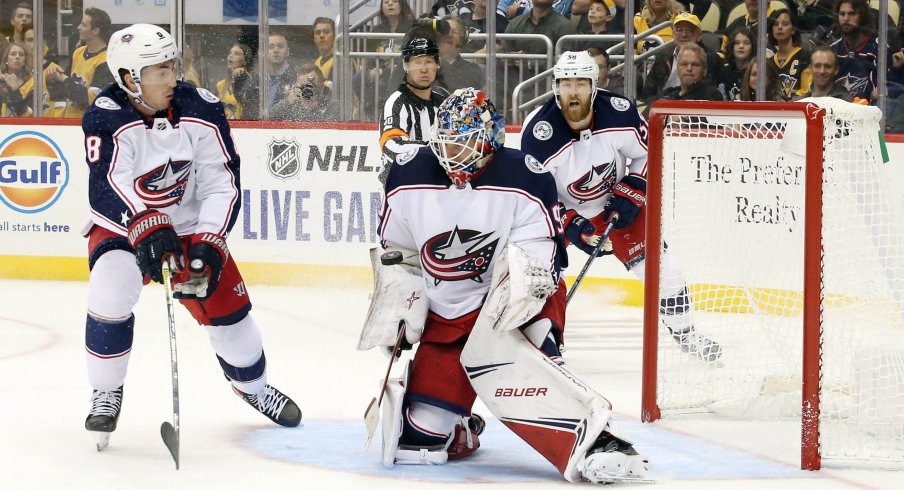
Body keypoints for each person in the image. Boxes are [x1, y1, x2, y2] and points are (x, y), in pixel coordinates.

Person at [368, 86, 651, 483]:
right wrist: (397, 307)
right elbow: (397, 251)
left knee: (530, 357)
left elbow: (538, 260)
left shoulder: (526, 176)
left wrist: (509, 315)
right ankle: (459, 426)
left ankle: (600, 440)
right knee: (418, 444)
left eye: (462, 145)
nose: (451, 155)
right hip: (446, 319)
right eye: (445, 143)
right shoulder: (408, 173)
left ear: (489, 140)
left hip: (508, 308)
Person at [81, 24, 301, 449]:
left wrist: (209, 239)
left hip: (186, 227)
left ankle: (254, 388)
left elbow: (222, 181)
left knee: (234, 327)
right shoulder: (105, 115)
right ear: (129, 77)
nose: (171, 78)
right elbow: (108, 185)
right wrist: (147, 223)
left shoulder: (201, 108)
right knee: (110, 287)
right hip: (123, 228)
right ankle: (105, 391)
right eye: (158, 71)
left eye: (172, 67)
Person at [521, 51, 723, 363]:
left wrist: (636, 187)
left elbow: (647, 153)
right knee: (539, 275)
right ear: (555, 87)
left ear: (594, 84)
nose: (572, 91)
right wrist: (568, 220)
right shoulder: (538, 132)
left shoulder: (620, 112)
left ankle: (685, 333)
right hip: (561, 212)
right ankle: (543, 342)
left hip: (617, 203)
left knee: (664, 269)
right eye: (564, 84)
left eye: (580, 83)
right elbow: (533, 192)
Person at [377, 37, 446, 184]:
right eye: (417, 62)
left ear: (437, 65)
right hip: (401, 188)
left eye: (429, 61)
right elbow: (391, 145)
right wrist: (436, 149)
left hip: (435, 185)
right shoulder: (397, 102)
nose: (424, 69)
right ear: (406, 66)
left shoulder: (444, 103)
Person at [45, 7, 115, 118]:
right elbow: (67, 86)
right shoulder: (78, 52)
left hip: (90, 123)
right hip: (70, 119)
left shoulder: (107, 61)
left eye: (84, 25)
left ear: (96, 31)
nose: (78, 27)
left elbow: (90, 99)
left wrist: (62, 79)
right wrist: (54, 78)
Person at [830, 0, 880, 101]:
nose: (846, 18)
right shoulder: (833, 50)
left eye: (852, 14)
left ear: (863, 17)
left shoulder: (879, 48)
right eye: (842, 14)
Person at [271, 63, 338, 121]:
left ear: (322, 86)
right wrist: (288, 101)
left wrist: (313, 110)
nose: (306, 89)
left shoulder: (333, 105)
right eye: (301, 86)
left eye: (311, 85)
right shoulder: (294, 103)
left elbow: (325, 131)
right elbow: (268, 118)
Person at [768, 9, 811, 101]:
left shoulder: (805, 57)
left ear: (793, 30)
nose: (779, 27)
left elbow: (807, 91)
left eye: (785, 24)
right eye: (775, 24)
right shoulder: (768, 62)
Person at [436, 16, 484, 92]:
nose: (449, 35)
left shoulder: (473, 70)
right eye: (445, 30)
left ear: (463, 39)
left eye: (454, 31)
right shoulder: (428, 67)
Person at [216, 43, 255, 119]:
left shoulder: (251, 81)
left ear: (245, 61)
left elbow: (250, 106)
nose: (230, 56)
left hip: (243, 126)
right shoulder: (220, 85)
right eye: (230, 53)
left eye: (236, 53)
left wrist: (242, 76)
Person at [716, 27, 755, 100]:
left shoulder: (755, 72)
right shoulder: (724, 72)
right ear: (731, 46)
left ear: (752, 47)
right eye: (737, 43)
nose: (741, 46)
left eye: (746, 43)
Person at [0, 42, 31, 116]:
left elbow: (29, 114)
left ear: (25, 61)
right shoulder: (1, 80)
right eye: (13, 54)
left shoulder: (31, 82)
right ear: (6, 60)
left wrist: (15, 90)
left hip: (23, 126)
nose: (17, 57)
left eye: (21, 55)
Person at [312, 17, 336, 81]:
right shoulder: (317, 61)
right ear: (314, 39)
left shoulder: (342, 61)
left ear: (335, 36)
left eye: (326, 32)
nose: (321, 35)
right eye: (317, 33)